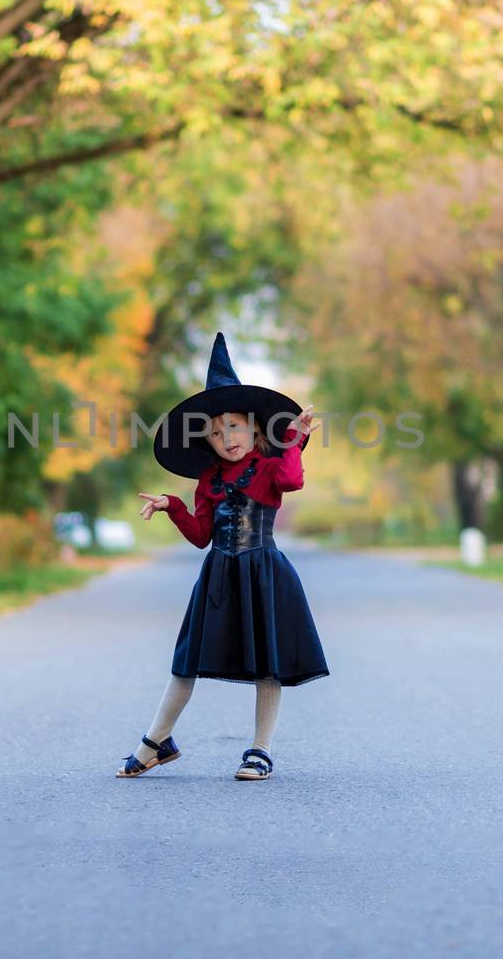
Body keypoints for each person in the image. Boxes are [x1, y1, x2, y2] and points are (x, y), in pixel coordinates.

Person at [117, 331, 330, 782]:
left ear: (254, 427)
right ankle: (156, 742)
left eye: (233, 426)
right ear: (207, 443)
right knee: (186, 660)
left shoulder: (272, 465)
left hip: (264, 571)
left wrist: (293, 440)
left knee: (267, 664)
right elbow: (200, 536)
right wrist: (173, 506)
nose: (226, 437)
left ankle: (260, 750)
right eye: (215, 433)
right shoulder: (209, 482)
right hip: (219, 575)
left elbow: (292, 482)